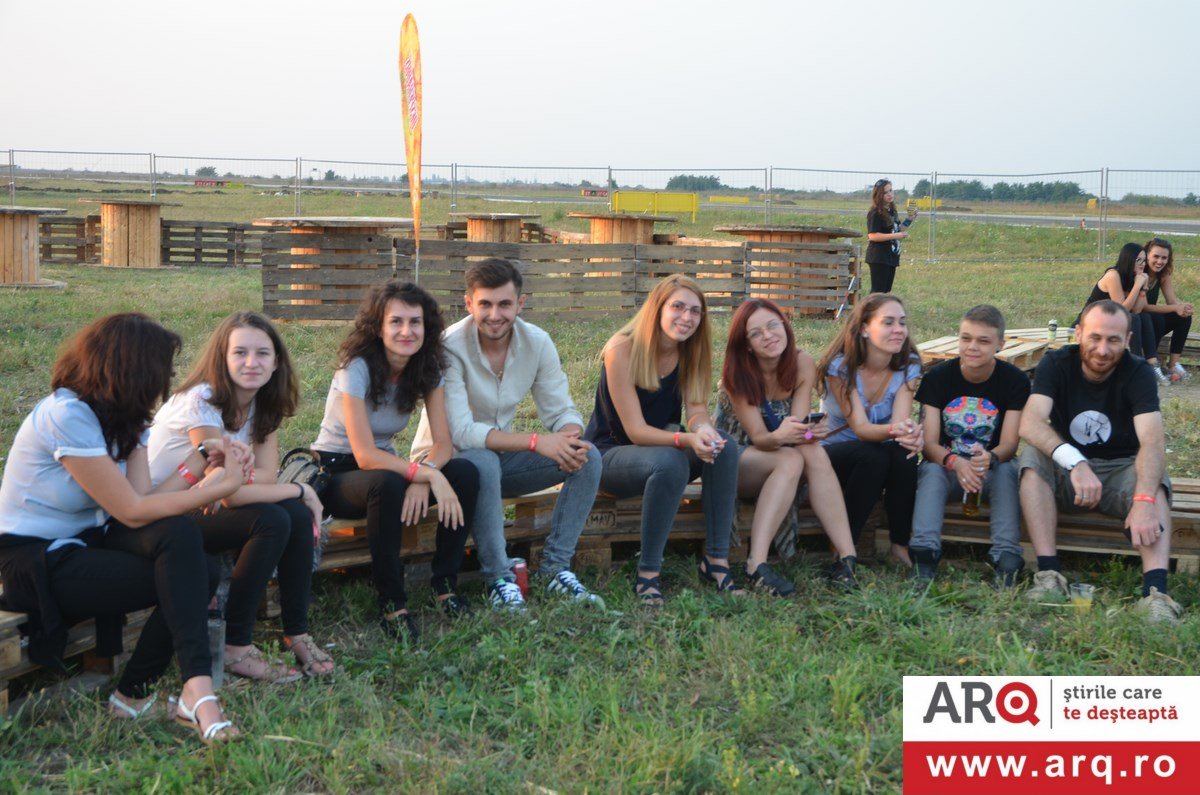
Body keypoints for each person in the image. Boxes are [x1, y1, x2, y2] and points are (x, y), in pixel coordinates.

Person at [0, 314, 247, 744]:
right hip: (34, 560)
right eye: (162, 371)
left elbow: (145, 499)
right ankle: (195, 694)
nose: (166, 382)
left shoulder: (127, 419)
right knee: (188, 574)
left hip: (89, 542)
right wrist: (219, 489)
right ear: (133, 369)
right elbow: (132, 511)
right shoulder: (66, 415)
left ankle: (144, 694)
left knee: (194, 559)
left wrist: (200, 462)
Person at [147, 311, 335, 680]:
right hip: (164, 512)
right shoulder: (201, 400)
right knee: (273, 518)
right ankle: (236, 644)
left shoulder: (264, 401)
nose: (252, 363)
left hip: (202, 504)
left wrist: (255, 482)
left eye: (262, 353)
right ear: (223, 357)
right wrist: (301, 489)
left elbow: (264, 474)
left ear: (276, 361)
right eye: (240, 353)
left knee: (294, 515)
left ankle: (297, 633)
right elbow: (226, 491)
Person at [411, 259, 603, 612]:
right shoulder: (449, 346)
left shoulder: (537, 342)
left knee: (588, 455)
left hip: (500, 461)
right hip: (446, 463)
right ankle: (499, 578)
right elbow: (463, 433)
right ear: (469, 303)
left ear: (520, 303)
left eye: (504, 304)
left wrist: (569, 437)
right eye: (485, 304)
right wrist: (536, 442)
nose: (494, 314)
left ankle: (555, 568)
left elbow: (561, 410)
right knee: (483, 461)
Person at [311, 281, 478, 642]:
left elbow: (443, 444)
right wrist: (425, 475)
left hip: (386, 470)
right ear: (378, 327)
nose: (406, 331)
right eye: (396, 322)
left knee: (464, 472)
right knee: (386, 484)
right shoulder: (356, 367)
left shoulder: (428, 367)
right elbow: (364, 455)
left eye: (415, 322)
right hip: (337, 473)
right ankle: (392, 604)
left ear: (426, 327)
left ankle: (445, 585)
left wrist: (423, 475)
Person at [1018, 300, 1181, 624]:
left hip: (1121, 468)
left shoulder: (1138, 372)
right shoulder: (1056, 363)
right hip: (1069, 473)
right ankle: (1049, 576)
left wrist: (1143, 500)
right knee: (1032, 459)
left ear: (1128, 339)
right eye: (1095, 337)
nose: (1103, 350)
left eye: (1113, 340)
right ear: (1079, 333)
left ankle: (1156, 594)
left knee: (1155, 482)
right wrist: (1075, 463)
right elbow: (1030, 423)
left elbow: (1152, 441)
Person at [583, 274, 742, 606]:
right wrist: (687, 439)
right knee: (670, 461)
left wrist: (704, 431)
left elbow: (696, 410)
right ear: (657, 308)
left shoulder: (691, 351)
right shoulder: (622, 348)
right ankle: (648, 572)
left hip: (659, 452)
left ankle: (716, 560)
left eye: (695, 311)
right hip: (609, 456)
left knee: (724, 447)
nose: (686, 317)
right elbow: (636, 431)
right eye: (678, 307)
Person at [714, 298, 859, 594]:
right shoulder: (736, 375)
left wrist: (811, 433)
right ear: (746, 344)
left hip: (781, 451)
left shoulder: (802, 362)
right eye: (756, 333)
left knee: (813, 451)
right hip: (734, 458)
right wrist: (785, 436)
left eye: (773, 325)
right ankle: (756, 564)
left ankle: (847, 558)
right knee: (790, 460)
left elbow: (798, 428)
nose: (768, 336)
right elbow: (760, 437)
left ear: (785, 325)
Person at [910, 305, 1030, 587]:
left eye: (983, 341)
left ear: (1000, 344)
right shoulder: (938, 377)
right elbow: (929, 444)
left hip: (990, 468)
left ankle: (1006, 557)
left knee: (1007, 471)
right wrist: (955, 462)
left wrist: (989, 458)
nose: (972, 347)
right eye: (966, 338)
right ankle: (924, 554)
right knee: (931, 471)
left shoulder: (1015, 380)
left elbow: (1010, 443)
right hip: (947, 467)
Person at [816, 293, 923, 566]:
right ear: (864, 328)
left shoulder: (908, 364)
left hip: (878, 450)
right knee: (872, 455)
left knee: (904, 453)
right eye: (888, 322)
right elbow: (861, 429)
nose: (898, 330)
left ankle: (900, 544)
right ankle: (843, 547)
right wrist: (899, 430)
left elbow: (899, 423)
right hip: (833, 454)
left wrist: (911, 434)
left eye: (902, 322)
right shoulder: (840, 367)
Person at [1075, 242, 1155, 367]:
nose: (1142, 264)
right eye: (1138, 260)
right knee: (1133, 318)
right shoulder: (1113, 275)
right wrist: (1137, 286)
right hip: (1090, 321)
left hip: (1109, 320)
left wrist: (1143, 288)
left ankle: (1153, 364)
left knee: (1144, 317)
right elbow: (1122, 310)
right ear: (1128, 260)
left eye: (1144, 260)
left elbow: (1137, 310)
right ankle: (1137, 365)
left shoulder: (1134, 277)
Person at [1140, 237, 1193, 383]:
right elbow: (1144, 307)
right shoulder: (1139, 271)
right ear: (1147, 255)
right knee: (1155, 318)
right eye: (1156, 256)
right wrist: (1175, 307)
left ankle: (1173, 364)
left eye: (1164, 258)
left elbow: (1172, 302)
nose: (1160, 261)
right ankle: (1151, 363)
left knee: (1183, 317)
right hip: (1137, 321)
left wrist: (1182, 308)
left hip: (1153, 322)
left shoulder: (1163, 274)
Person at [865, 179, 917, 294]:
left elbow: (897, 229)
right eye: (885, 192)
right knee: (878, 292)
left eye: (890, 190)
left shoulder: (891, 211)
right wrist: (895, 235)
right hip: (879, 256)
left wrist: (910, 219)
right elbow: (873, 235)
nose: (889, 194)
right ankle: (870, 307)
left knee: (886, 291)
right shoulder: (875, 213)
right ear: (878, 195)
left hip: (891, 256)